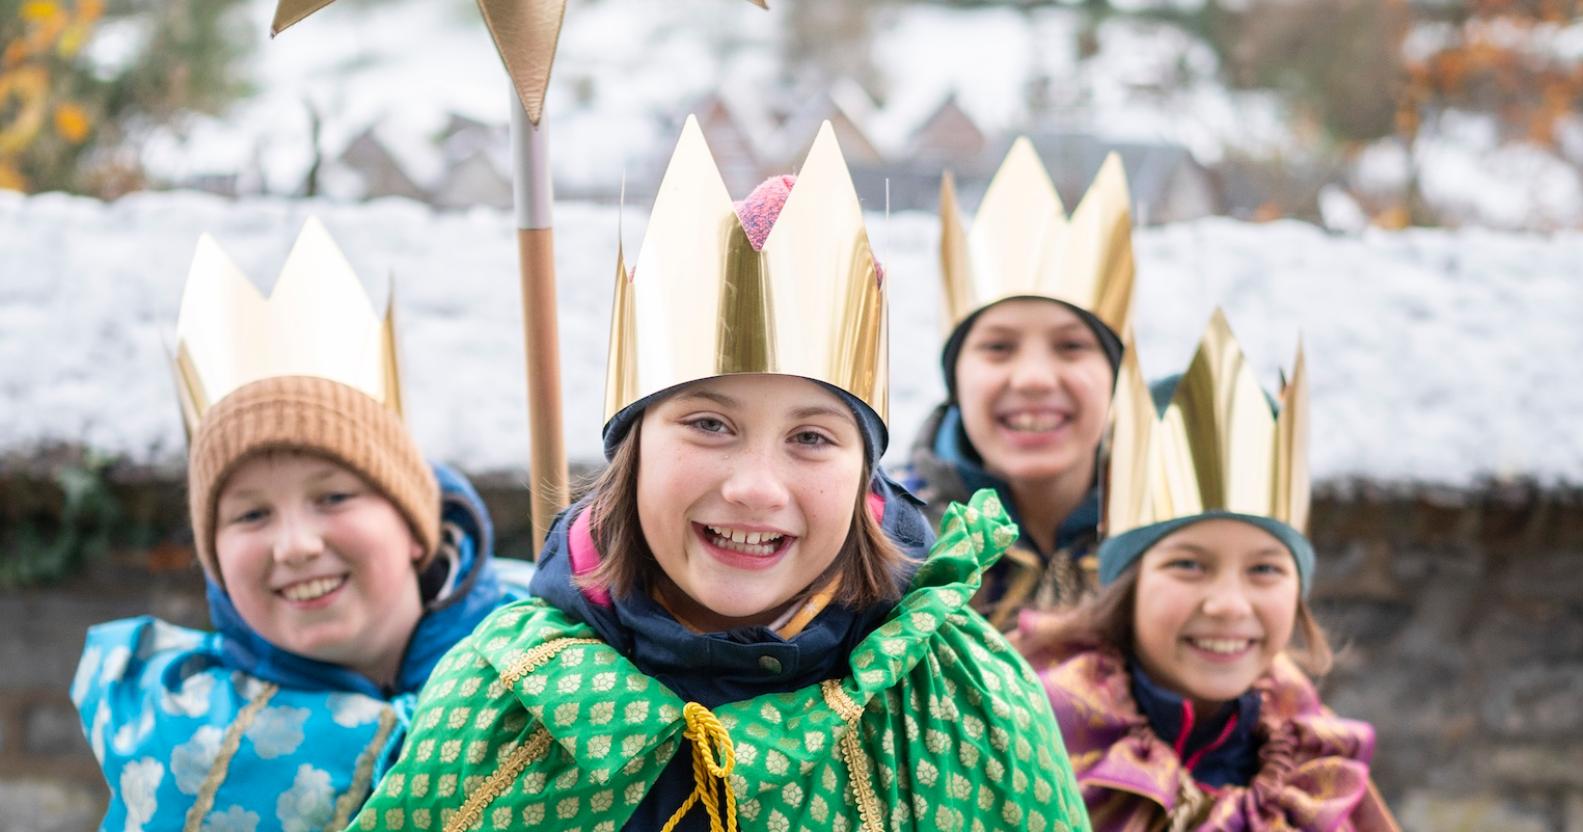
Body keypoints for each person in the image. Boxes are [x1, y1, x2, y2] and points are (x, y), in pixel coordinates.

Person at [344, 119, 1088, 832]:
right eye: (708, 425)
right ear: (633, 452)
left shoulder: (968, 703)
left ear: (867, 480)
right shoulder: (497, 694)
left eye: (810, 436)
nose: (755, 488)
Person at [72, 219, 527, 832]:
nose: (295, 546)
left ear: (417, 524)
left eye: (334, 497)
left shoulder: (551, 662)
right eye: (252, 514)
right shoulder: (179, 743)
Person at [1017, 311, 1398, 829]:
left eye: (1265, 569)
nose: (1228, 604)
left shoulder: (1317, 772)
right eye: (1189, 565)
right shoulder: (1031, 734)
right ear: (1129, 585)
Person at [902, 137, 1137, 629]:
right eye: (998, 347)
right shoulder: (887, 547)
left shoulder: (1167, 547)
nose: (1032, 378)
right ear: (956, 377)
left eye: (1072, 346)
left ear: (1116, 377)